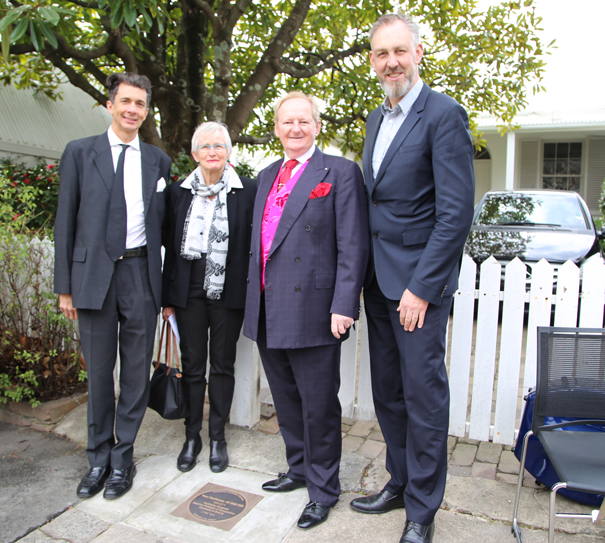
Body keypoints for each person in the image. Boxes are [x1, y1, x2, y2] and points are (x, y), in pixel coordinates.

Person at [349, 13, 475, 543]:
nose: (391, 62)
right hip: (379, 283)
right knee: (389, 394)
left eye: (400, 51)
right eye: (381, 54)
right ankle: (399, 481)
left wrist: (421, 289)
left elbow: (455, 213)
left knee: (423, 398)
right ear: (372, 61)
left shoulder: (444, 115)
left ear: (418, 53)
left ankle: (422, 510)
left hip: (417, 288)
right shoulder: (378, 120)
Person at [243, 92, 369, 530]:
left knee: (318, 405)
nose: (295, 128)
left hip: (315, 309)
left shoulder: (339, 172)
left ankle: (323, 489)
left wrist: (344, 305)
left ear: (317, 125)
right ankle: (298, 469)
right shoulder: (264, 175)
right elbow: (259, 244)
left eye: (304, 121)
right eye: (287, 122)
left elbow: (353, 244)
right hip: (267, 305)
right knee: (285, 399)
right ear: (276, 128)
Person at [54, 73, 172, 500]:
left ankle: (123, 459)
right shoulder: (80, 153)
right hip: (92, 278)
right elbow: (64, 222)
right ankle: (98, 458)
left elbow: (167, 226)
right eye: (125, 101)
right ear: (110, 105)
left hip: (140, 276)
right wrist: (64, 287)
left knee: (136, 375)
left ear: (145, 110)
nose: (132, 110)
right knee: (100, 374)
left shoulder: (158, 161)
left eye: (140, 104)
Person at [161, 122, 256, 473]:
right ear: (194, 154)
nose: (212, 151)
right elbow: (169, 246)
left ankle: (218, 437)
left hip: (229, 290)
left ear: (229, 152)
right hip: (187, 290)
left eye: (219, 145)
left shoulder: (248, 191)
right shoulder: (178, 193)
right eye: (205, 146)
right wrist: (166, 296)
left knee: (222, 364)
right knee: (193, 365)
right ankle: (192, 435)